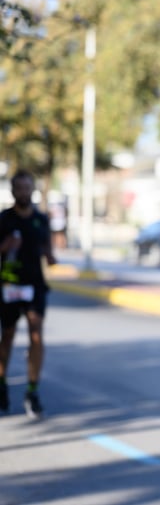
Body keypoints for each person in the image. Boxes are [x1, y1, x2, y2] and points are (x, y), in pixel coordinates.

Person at [0, 170, 57, 417]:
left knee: (36, 335)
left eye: (27, 187)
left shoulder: (41, 219)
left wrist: (51, 257)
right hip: (9, 284)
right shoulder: (3, 219)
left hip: (34, 284)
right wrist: (6, 246)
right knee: (8, 335)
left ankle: (32, 390)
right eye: (19, 188)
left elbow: (47, 249)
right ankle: (1, 384)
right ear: (13, 191)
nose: (24, 192)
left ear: (33, 189)